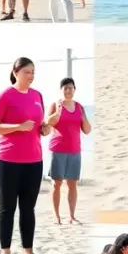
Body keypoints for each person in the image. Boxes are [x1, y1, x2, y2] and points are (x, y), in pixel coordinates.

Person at [0, 57, 50, 254]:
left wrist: (45, 129)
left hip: (34, 160)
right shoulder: (5, 95)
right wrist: (17, 127)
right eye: (27, 72)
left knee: (28, 209)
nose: (31, 76)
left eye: (33, 72)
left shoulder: (37, 95)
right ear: (15, 72)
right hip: (7, 160)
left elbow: (39, 125)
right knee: (7, 208)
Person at [44, 77, 91, 225]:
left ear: (74, 89)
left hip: (75, 150)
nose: (68, 90)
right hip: (58, 148)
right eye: (65, 88)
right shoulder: (55, 105)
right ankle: (57, 216)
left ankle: (72, 216)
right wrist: (57, 113)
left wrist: (83, 117)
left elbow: (87, 130)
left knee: (72, 184)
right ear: (61, 90)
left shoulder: (79, 107)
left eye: (71, 87)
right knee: (56, 183)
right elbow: (47, 123)